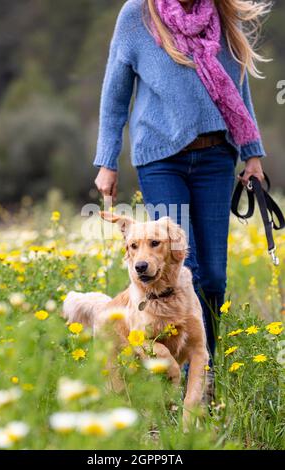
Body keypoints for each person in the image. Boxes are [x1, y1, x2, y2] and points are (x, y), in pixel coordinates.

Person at [93, 0, 270, 363]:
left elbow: (239, 88)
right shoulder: (137, 15)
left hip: (216, 159)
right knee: (179, 265)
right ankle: (174, 373)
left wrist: (252, 153)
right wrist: (107, 162)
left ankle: (204, 366)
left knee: (214, 278)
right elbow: (115, 96)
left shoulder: (220, 13)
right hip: (161, 160)